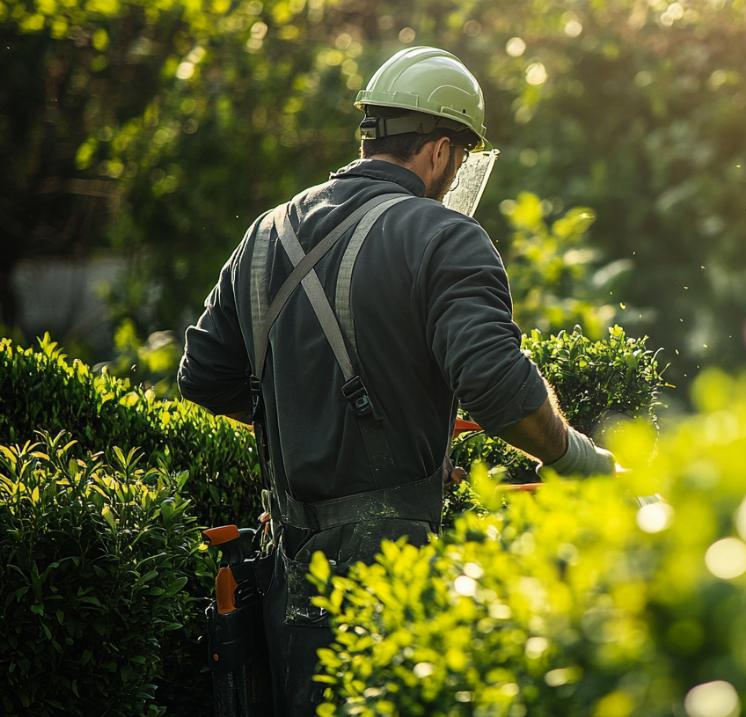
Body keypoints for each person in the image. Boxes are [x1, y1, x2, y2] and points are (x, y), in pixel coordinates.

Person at [177, 46, 615, 714]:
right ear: (440, 151)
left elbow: (204, 374)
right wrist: (577, 455)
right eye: (461, 157)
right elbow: (496, 386)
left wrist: (309, 424)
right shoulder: (444, 236)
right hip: (393, 583)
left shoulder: (265, 234)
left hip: (291, 575)